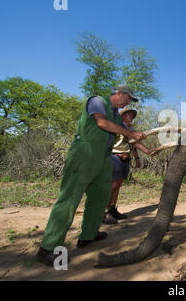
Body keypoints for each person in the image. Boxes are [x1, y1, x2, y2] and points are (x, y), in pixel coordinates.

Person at [36, 85, 147, 266]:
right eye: (128, 98)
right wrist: (130, 132)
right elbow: (101, 123)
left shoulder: (115, 115)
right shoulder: (97, 101)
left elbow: (128, 135)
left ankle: (89, 234)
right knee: (69, 200)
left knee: (101, 196)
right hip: (84, 155)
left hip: (103, 160)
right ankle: (48, 248)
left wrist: (147, 148)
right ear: (119, 93)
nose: (129, 102)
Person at [103, 108, 158, 224]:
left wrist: (145, 153)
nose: (131, 117)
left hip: (126, 159)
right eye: (128, 114)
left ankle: (112, 209)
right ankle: (101, 212)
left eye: (132, 115)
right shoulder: (117, 126)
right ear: (123, 116)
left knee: (118, 184)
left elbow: (134, 143)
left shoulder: (131, 129)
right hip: (115, 157)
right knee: (113, 185)